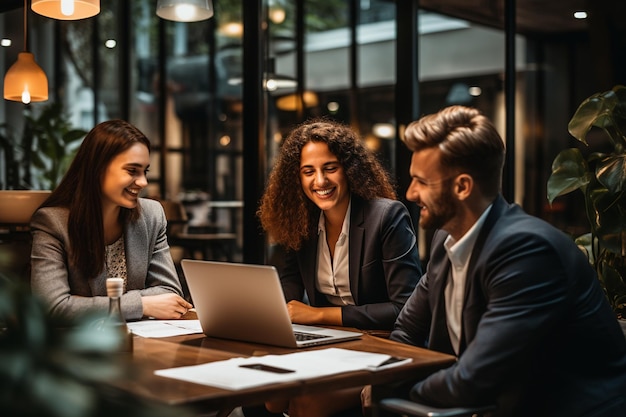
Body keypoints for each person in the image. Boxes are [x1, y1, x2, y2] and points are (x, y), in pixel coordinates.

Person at [382, 105, 626, 416]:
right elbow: (405, 332)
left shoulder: (527, 251)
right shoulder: (447, 240)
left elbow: (474, 380)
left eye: (421, 182)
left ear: (462, 187)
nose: (411, 193)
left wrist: (393, 390)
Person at [250, 119, 422, 417]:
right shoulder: (299, 224)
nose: (320, 181)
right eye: (308, 171)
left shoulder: (387, 217)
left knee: (306, 403)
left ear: (349, 169)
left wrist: (320, 314)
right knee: (265, 395)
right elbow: (286, 297)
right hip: (325, 343)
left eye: (330, 168)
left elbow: (404, 307)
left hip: (380, 344)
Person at [30, 119, 192, 323]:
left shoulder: (151, 215)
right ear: (97, 169)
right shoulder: (53, 222)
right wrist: (143, 305)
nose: (143, 182)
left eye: (145, 171)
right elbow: (52, 308)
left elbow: (169, 293)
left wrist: (82, 304)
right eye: (132, 171)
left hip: (143, 341)